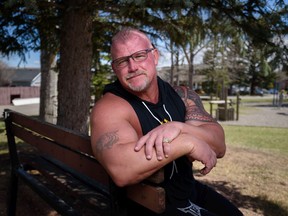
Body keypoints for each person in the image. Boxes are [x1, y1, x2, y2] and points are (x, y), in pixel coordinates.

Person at [90, 27, 243, 216]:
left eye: (139, 55)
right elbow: (121, 170)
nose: (132, 67)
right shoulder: (110, 107)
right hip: (148, 205)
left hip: (188, 192)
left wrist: (178, 127)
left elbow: (219, 145)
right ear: (115, 68)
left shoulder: (182, 95)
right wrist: (187, 142)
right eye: (122, 61)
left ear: (154, 56)